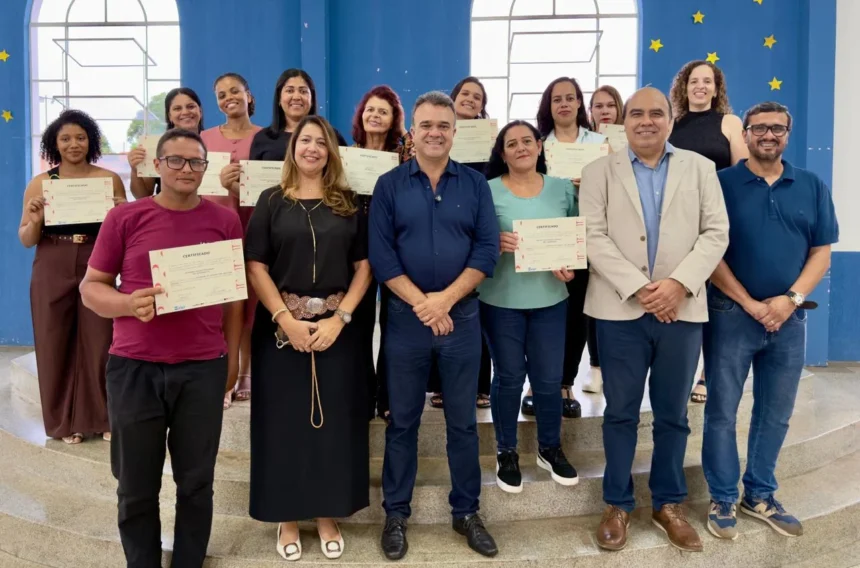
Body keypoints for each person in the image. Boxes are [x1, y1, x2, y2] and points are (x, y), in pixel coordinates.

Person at [80, 128, 244, 567]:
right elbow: (91, 288)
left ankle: (189, 560)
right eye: (176, 160)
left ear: (206, 169)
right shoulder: (125, 219)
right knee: (135, 483)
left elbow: (233, 297)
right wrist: (127, 304)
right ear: (157, 166)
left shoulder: (224, 219)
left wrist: (233, 358)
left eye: (196, 162)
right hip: (135, 367)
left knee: (196, 481)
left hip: (202, 368)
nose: (186, 169)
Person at [580, 87, 729, 553]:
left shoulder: (700, 169)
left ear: (670, 119)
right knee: (620, 412)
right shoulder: (598, 170)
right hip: (619, 310)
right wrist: (642, 288)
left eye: (656, 113)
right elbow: (594, 236)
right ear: (623, 121)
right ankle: (618, 504)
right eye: (637, 113)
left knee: (673, 414)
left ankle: (668, 505)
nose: (647, 121)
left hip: (681, 310)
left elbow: (715, 232)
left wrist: (677, 285)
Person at [370, 91, 499, 560]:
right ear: (413, 132)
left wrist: (443, 301)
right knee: (402, 421)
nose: (435, 132)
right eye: (426, 125)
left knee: (463, 423)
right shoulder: (389, 185)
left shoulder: (475, 185)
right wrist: (423, 304)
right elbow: (382, 256)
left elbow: (487, 251)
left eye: (443, 125)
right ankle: (396, 514)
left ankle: (466, 511)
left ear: (454, 131)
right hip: (406, 322)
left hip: (461, 319)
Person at [702, 102, 838, 541]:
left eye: (777, 128)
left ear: (787, 134)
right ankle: (722, 495)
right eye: (759, 128)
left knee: (775, 413)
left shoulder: (811, 185)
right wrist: (748, 302)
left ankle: (758, 494)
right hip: (730, 315)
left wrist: (789, 300)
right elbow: (709, 251)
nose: (768, 135)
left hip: (789, 319)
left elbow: (821, 251)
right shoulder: (720, 183)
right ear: (744, 133)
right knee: (722, 411)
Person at [246, 116, 371, 561]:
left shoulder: (348, 203)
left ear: (332, 152)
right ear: (293, 147)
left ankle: (326, 512)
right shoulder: (271, 201)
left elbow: (364, 267)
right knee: (284, 425)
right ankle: (287, 514)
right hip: (281, 330)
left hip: (338, 330)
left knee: (334, 425)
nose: (313, 148)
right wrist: (284, 317)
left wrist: (341, 317)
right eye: (305, 140)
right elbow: (256, 265)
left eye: (322, 142)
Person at [480, 120, 579, 494]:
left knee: (549, 379)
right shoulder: (485, 191)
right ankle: (506, 451)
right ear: (502, 153)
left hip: (551, 299)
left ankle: (549, 448)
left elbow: (575, 236)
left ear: (540, 147)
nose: (520, 147)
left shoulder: (563, 189)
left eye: (527, 141)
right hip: (501, 300)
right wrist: (494, 242)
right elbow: (474, 241)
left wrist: (569, 265)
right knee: (508, 377)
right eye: (511, 143)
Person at [18, 109, 125, 445]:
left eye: (80, 137)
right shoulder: (42, 183)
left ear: (91, 141)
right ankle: (64, 423)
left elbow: (125, 234)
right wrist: (35, 219)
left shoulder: (109, 179)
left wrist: (123, 213)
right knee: (54, 342)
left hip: (97, 260)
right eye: (65, 138)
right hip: (53, 258)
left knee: (101, 342)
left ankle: (103, 417)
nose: (74, 144)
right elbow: (26, 238)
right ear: (55, 143)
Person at [525, 76, 607, 419]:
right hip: (547, 235)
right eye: (556, 99)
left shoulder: (600, 143)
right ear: (549, 105)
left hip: (587, 236)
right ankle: (535, 384)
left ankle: (564, 383)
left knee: (576, 315)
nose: (563, 104)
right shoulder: (538, 143)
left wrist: (589, 184)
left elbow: (613, 189)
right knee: (541, 312)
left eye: (570, 98)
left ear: (578, 104)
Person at [669, 60, 749, 404]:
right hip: (677, 223)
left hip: (718, 221)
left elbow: (742, 173)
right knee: (685, 298)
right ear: (683, 88)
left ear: (717, 89)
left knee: (717, 300)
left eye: (707, 81)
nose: (700, 86)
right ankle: (679, 371)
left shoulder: (729, 122)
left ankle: (706, 373)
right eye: (693, 81)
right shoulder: (671, 124)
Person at [426, 75, 493, 411]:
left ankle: (481, 385)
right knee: (436, 318)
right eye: (464, 93)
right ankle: (439, 385)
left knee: (471, 315)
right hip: (437, 225)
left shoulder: (489, 141)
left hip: (470, 224)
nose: (470, 99)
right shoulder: (431, 138)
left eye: (477, 97)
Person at [350, 85, 413, 421]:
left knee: (393, 325)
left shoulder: (405, 158)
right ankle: (361, 392)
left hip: (394, 248)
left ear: (393, 120)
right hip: (355, 251)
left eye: (383, 112)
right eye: (370, 109)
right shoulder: (346, 154)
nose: (374, 115)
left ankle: (388, 397)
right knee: (357, 324)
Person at [202, 72, 262, 408]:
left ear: (248, 95)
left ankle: (245, 373)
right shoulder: (205, 138)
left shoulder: (265, 137)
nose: (229, 98)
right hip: (216, 233)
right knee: (221, 306)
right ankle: (222, 374)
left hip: (255, 227)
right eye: (222, 94)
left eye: (235, 91)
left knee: (252, 304)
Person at [580, 84, 625, 395]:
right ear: (590, 111)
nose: (605, 110)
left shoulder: (632, 141)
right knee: (594, 299)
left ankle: (620, 367)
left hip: (623, 230)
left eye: (610, 105)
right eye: (598, 105)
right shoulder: (583, 144)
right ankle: (595, 368)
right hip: (589, 228)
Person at [248, 68, 348, 162]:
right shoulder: (263, 138)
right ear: (279, 98)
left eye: (303, 91)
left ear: (312, 99)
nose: (296, 97)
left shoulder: (330, 135)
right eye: (290, 91)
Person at [127, 87, 204, 199]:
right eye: (177, 108)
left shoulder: (215, 142)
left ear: (200, 112)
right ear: (169, 116)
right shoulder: (155, 146)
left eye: (190, 106)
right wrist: (135, 169)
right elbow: (142, 195)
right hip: (168, 213)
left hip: (208, 212)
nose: (185, 112)